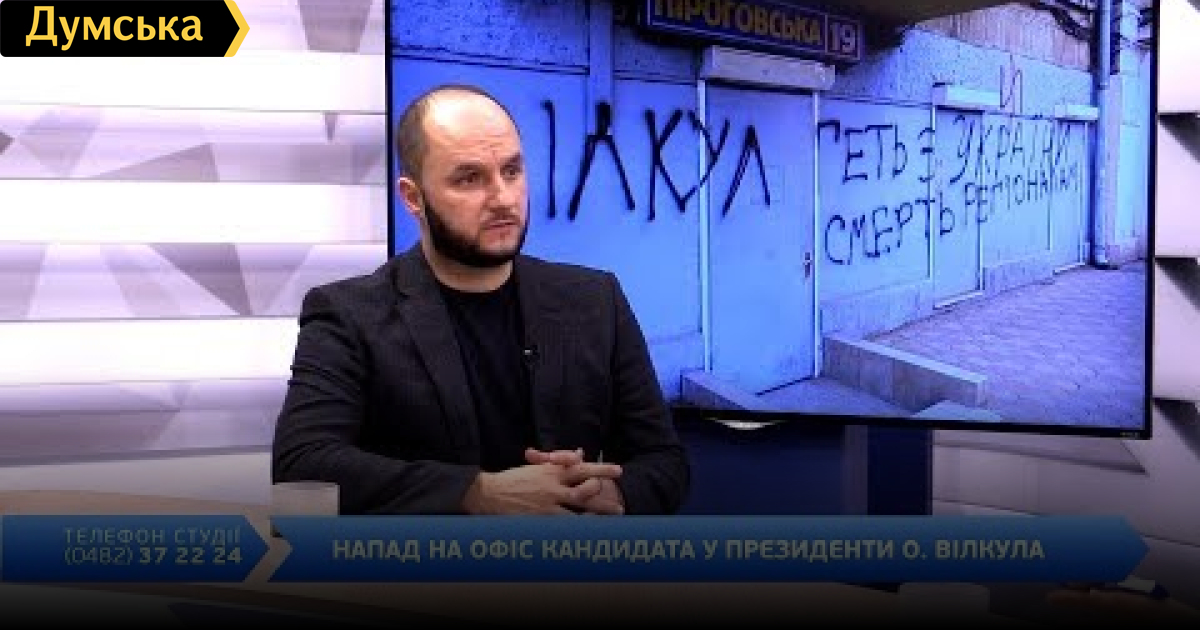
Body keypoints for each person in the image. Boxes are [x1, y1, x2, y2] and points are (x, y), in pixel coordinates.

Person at [271, 83, 690, 516]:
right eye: (469, 179)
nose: (503, 199)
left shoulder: (595, 300)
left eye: (512, 171)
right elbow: (302, 464)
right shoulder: (348, 315)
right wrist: (479, 493)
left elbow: (664, 461)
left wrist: (600, 492)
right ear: (413, 198)